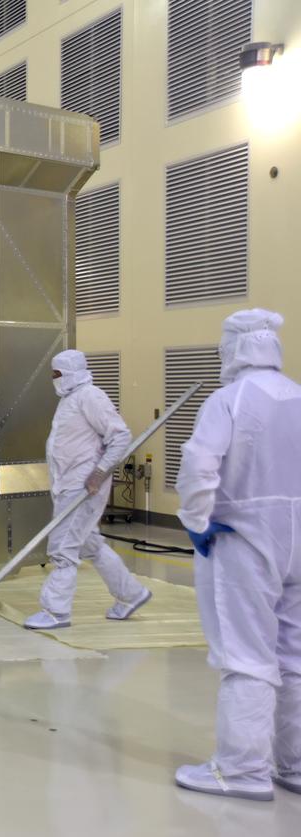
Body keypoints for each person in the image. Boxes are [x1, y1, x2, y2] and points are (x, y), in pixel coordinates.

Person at [174, 309, 301, 801]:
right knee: (294, 653)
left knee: (246, 654)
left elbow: (199, 465)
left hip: (244, 538)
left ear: (232, 348)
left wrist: (197, 521)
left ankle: (242, 770)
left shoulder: (229, 399)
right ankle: (293, 764)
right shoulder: (297, 395)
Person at [24, 350, 151, 630]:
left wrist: (99, 472)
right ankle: (131, 594)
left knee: (62, 548)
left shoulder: (90, 396)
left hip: (83, 488)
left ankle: (55, 610)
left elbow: (120, 437)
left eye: (57, 374)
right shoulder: (70, 399)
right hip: (67, 484)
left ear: (70, 372)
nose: (54, 379)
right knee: (89, 545)